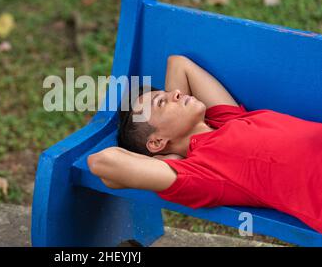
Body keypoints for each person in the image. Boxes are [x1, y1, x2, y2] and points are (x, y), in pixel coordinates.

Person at [87, 55, 322, 233]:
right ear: (157, 141)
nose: (175, 94)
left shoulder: (224, 121)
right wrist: (168, 162)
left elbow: (178, 64)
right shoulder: (202, 174)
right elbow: (102, 162)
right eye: (161, 102)